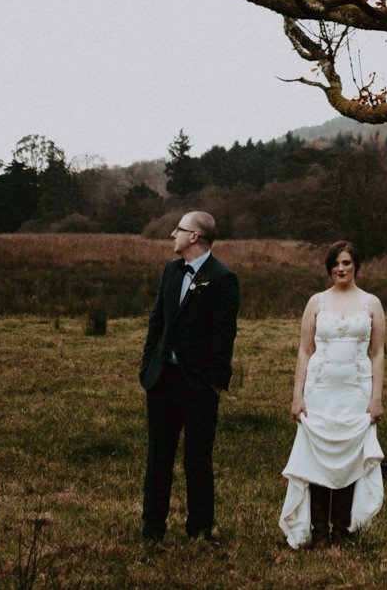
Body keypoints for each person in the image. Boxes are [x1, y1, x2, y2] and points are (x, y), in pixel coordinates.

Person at [139, 210, 240, 543]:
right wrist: (147, 366)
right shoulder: (170, 270)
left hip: (198, 385)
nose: (172, 234)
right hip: (162, 380)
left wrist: (212, 383)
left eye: (178, 229)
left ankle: (199, 529)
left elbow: (224, 336)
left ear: (195, 236)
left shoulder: (222, 277)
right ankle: (152, 528)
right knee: (158, 457)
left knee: (197, 459)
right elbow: (157, 322)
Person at [279, 240, 386, 548]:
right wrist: (297, 396)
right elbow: (305, 350)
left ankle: (340, 530)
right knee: (317, 460)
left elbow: (377, 353)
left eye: (347, 263)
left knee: (349, 459)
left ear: (356, 266)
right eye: (336, 263)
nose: (341, 268)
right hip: (320, 389)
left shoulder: (371, 303)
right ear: (329, 268)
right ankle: (319, 532)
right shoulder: (316, 303)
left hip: (355, 390)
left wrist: (376, 396)